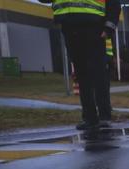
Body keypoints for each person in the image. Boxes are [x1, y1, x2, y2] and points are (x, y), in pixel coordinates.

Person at [41, 0, 120, 130]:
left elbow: (113, 3)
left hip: (94, 26)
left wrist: (109, 26)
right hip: (68, 25)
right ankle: (90, 118)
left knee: (98, 73)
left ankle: (104, 116)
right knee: (82, 74)